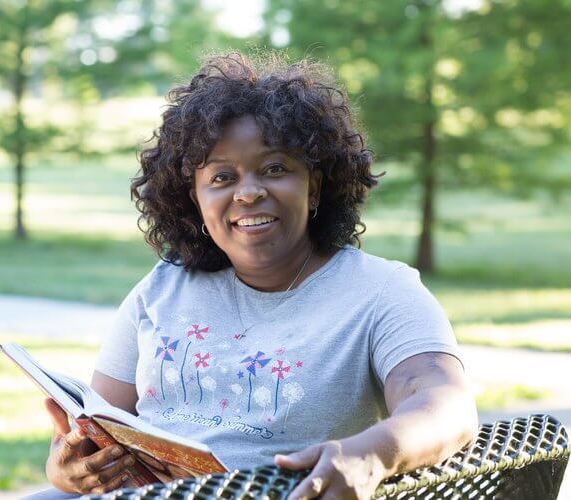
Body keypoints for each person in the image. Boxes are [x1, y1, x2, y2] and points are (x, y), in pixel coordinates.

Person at [36, 52, 478, 500]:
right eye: (222, 177)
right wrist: (68, 466)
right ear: (195, 199)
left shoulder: (383, 293)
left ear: (315, 186)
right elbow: (99, 423)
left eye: (275, 169)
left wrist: (367, 455)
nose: (248, 193)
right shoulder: (162, 287)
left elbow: (446, 407)